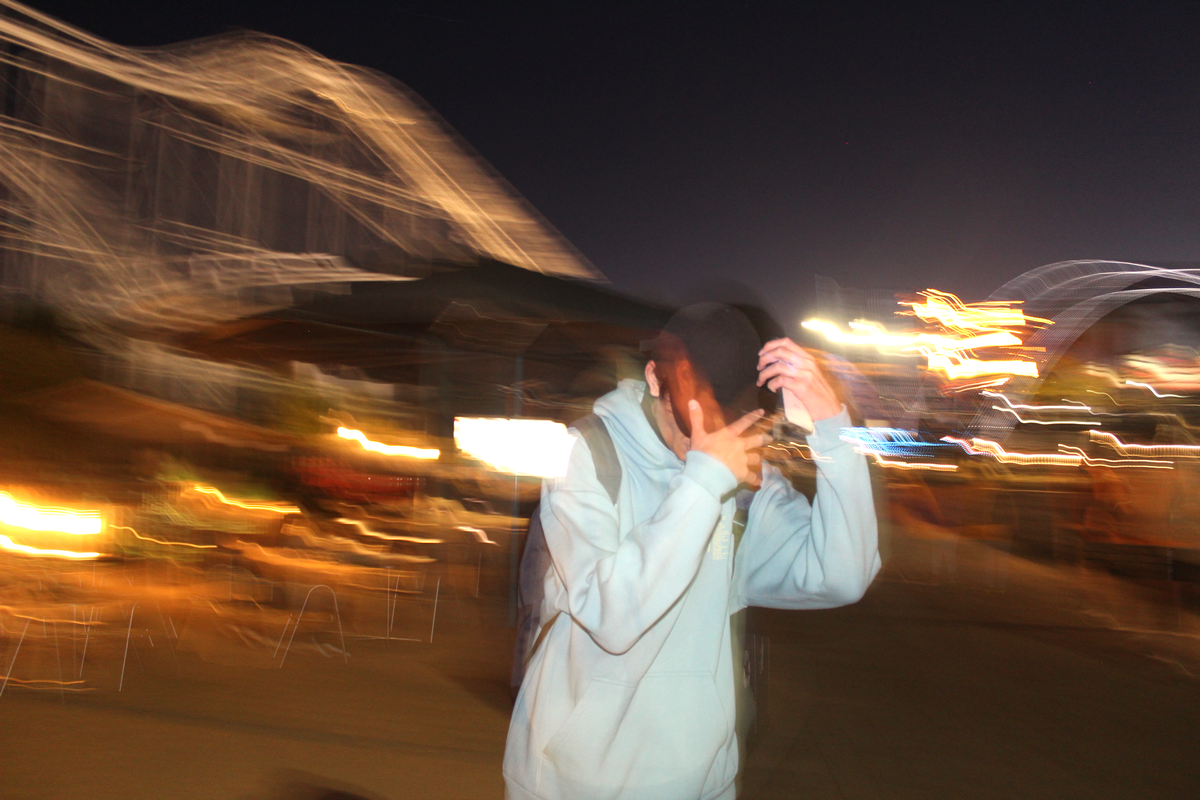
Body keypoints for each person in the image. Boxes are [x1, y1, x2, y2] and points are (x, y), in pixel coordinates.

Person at [503, 303, 880, 800]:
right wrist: (703, 482)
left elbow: (842, 574)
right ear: (655, 379)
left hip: (700, 781)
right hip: (573, 782)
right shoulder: (589, 454)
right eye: (692, 416)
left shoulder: (741, 480)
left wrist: (834, 427)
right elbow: (611, 616)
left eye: (724, 419)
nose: (706, 439)